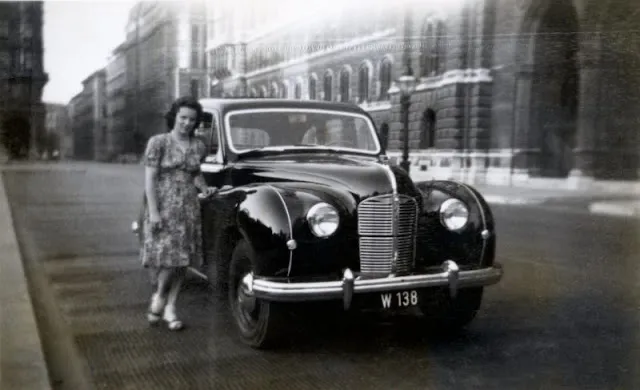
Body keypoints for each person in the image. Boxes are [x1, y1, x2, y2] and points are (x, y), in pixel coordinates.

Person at [140, 96, 216, 331]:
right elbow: (150, 180)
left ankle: (171, 307)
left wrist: (204, 188)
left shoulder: (199, 145)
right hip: (164, 206)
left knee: (182, 261)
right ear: (174, 116)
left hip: (189, 207)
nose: (186, 123)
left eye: (192, 120)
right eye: (183, 118)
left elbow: (194, 173)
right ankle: (160, 297)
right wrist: (153, 212)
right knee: (167, 260)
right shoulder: (158, 142)